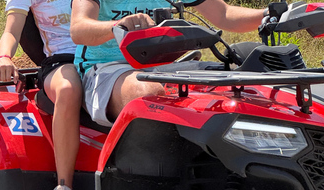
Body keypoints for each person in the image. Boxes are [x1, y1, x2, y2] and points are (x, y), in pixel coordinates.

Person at [70, 0, 269, 127]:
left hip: (165, 67)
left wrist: (270, 14)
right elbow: (78, 29)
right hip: (105, 69)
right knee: (150, 96)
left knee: (242, 87)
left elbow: (225, 15)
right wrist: (117, 26)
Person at [0, 0, 81, 190]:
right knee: (69, 89)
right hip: (64, 62)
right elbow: (12, 31)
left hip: (110, 57)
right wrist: (4, 57)